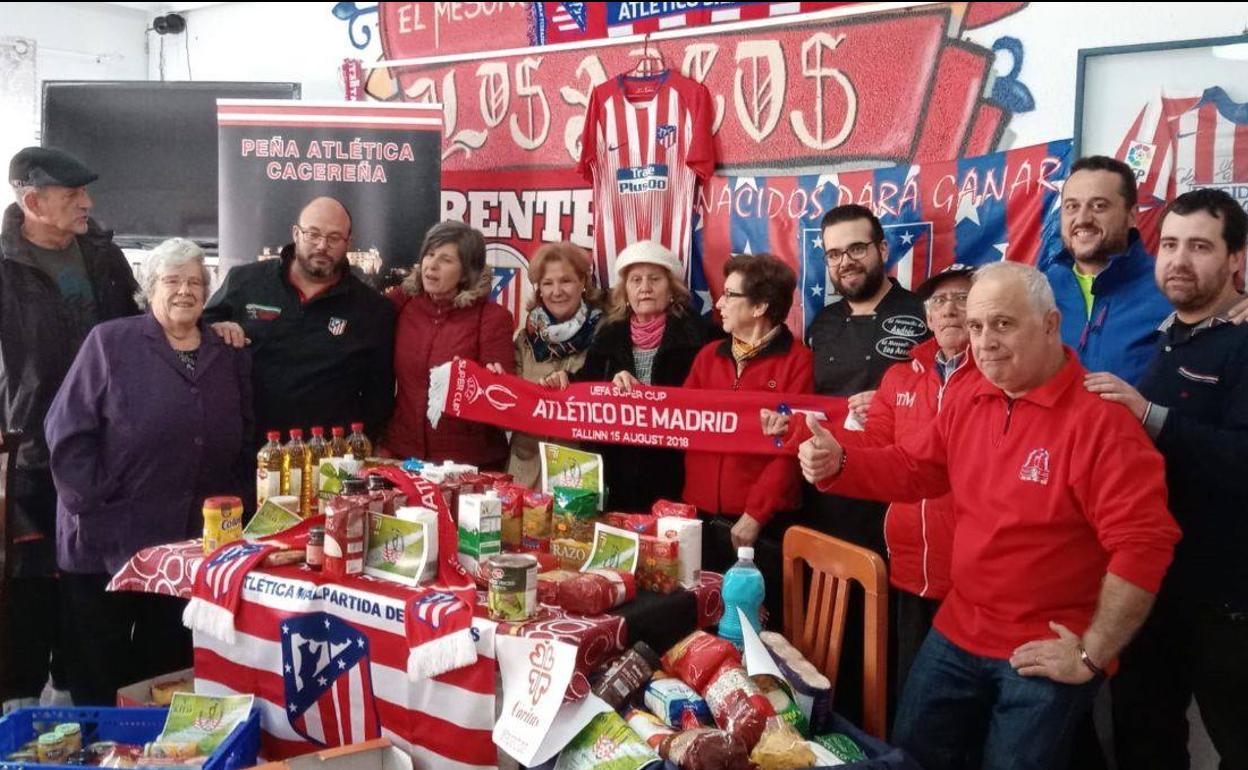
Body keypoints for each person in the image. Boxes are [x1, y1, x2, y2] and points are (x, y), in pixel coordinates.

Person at [795, 261, 1179, 770]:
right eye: (976, 327)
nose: (985, 341)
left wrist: (1091, 653)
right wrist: (842, 461)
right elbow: (918, 469)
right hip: (959, 626)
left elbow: (1144, 543)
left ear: (1049, 324)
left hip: (1045, 647)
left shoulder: (1102, 424)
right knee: (909, 756)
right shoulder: (971, 398)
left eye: (1002, 324)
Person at [44, 238, 253, 705]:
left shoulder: (227, 350)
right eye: (172, 280)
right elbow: (66, 431)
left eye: (196, 282)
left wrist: (235, 507)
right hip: (107, 538)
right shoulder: (111, 341)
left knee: (166, 670)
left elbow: (245, 432)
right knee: (98, 671)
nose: (185, 291)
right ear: (149, 286)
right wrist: (93, 506)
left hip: (185, 545)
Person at [1084, 188, 1248, 769]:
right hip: (1150, 589)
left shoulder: (1242, 341)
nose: (1179, 260)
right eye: (1170, 244)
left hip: (1226, 601)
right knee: (1144, 736)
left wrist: (1149, 415)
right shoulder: (1169, 336)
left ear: (1236, 260)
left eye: (1200, 246)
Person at [1, 147, 140, 711]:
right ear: (33, 202)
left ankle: (88, 703)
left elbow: (139, 327)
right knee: (29, 587)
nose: (88, 203)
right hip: (32, 452)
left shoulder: (104, 256)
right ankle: (22, 710)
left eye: (86, 192)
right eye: (73, 195)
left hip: (109, 446)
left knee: (93, 586)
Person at [203, 196, 395, 448]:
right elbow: (197, 338)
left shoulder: (373, 309)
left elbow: (379, 395)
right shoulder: (245, 281)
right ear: (296, 234)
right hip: (246, 449)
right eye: (313, 234)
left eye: (334, 238)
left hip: (328, 460)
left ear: (349, 243)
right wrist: (215, 329)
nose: (322, 246)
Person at [683, 253, 811, 622]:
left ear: (760, 307)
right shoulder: (708, 356)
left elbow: (792, 447)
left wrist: (756, 512)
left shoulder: (798, 362)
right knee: (701, 624)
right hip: (701, 518)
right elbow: (675, 419)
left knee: (757, 627)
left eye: (729, 295)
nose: (718, 304)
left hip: (762, 526)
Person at [545, 240, 714, 511]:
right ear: (625, 292)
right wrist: (565, 380)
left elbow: (706, 406)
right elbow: (588, 385)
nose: (644, 288)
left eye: (654, 279)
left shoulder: (700, 337)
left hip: (673, 475)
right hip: (615, 472)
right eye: (636, 280)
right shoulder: (608, 335)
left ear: (672, 289)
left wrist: (646, 397)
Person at [382, 221, 515, 468]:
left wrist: (473, 380)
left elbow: (501, 397)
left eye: (446, 260)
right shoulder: (402, 303)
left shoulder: (491, 317)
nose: (431, 265)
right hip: (404, 454)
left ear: (466, 273)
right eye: (429, 255)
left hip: (469, 463)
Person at [1041, 155, 1171, 385]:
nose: (1082, 218)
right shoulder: (1038, 289)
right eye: (1072, 206)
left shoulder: (1171, 288)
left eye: (1098, 206)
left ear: (1131, 216)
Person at [507, 241, 603, 488]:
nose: (556, 291)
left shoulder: (606, 334)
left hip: (578, 475)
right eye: (547, 283)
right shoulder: (526, 338)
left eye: (566, 280)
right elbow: (509, 405)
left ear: (583, 281)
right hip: (523, 472)